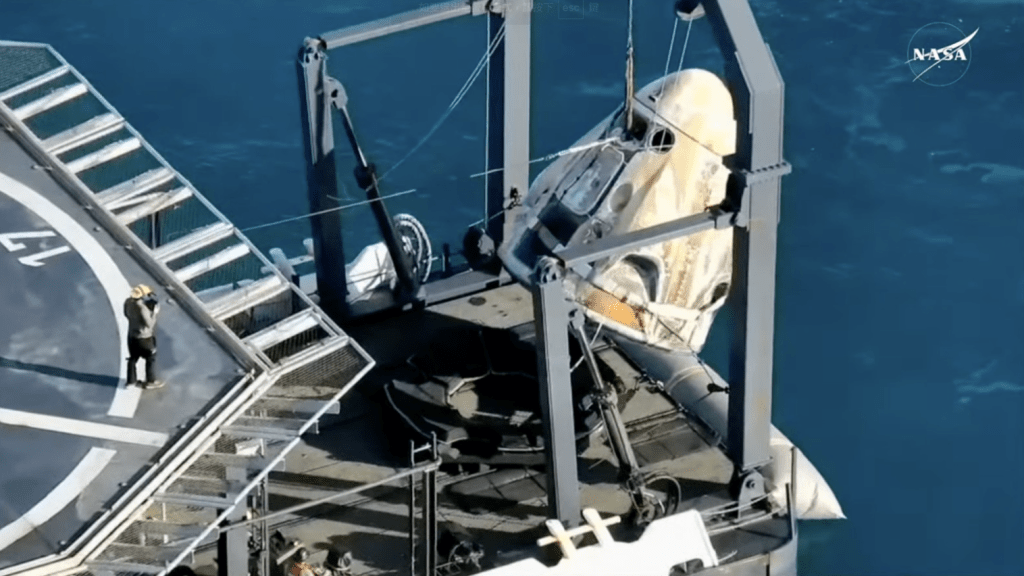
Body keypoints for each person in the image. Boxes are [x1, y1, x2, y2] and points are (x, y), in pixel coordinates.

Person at [124, 284, 162, 389]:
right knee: (151, 357)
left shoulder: (127, 302)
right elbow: (149, 324)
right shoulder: (142, 308)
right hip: (144, 338)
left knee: (133, 358)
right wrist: (154, 313)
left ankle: (131, 381)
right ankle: (151, 381)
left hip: (132, 336)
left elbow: (126, 314)